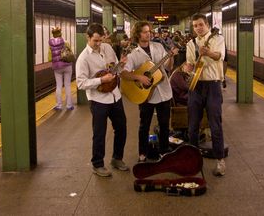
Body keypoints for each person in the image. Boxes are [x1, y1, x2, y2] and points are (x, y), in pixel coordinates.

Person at [120, 21, 178, 162]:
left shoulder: (158, 46)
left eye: (149, 31)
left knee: (164, 124)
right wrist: (139, 76)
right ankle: (143, 153)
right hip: (145, 94)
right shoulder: (133, 53)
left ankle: (163, 151)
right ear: (138, 34)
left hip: (163, 91)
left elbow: (168, 67)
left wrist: (171, 57)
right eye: (145, 32)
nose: (149, 34)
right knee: (144, 125)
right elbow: (123, 73)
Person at [76, 23, 128, 177]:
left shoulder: (108, 48)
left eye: (101, 40)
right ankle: (97, 164)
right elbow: (80, 83)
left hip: (115, 96)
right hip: (98, 100)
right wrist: (101, 80)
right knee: (99, 132)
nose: (99, 44)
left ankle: (117, 158)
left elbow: (114, 69)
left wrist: (121, 65)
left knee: (122, 128)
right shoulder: (83, 58)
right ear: (88, 37)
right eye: (96, 41)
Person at [185, 13, 226, 176]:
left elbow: (219, 56)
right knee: (192, 125)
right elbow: (189, 63)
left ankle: (220, 161)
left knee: (215, 124)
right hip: (196, 85)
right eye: (195, 26)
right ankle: (193, 160)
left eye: (200, 24)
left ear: (207, 24)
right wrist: (187, 68)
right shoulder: (191, 43)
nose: (198, 28)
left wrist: (207, 53)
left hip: (213, 85)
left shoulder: (217, 39)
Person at [48, 27, 74, 111]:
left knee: (58, 86)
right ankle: (69, 105)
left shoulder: (50, 44)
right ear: (60, 33)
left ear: (53, 34)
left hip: (57, 67)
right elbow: (70, 52)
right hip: (67, 66)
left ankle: (59, 105)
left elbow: (49, 58)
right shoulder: (65, 42)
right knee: (67, 85)